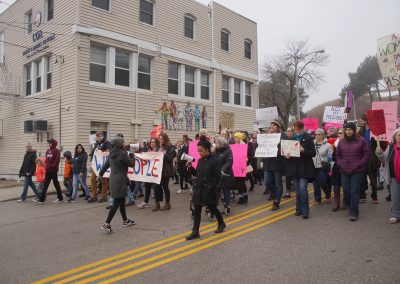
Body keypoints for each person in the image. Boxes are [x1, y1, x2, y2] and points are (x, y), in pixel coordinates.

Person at [186, 136, 226, 240]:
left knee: (213, 208)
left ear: (207, 149)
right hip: (199, 188)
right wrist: (190, 168)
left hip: (209, 189)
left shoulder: (215, 160)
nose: (199, 153)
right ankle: (195, 231)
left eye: (201, 151)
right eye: (198, 151)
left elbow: (217, 176)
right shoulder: (200, 161)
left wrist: (211, 186)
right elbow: (197, 174)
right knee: (197, 209)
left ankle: (221, 223)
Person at [98, 136, 136, 233]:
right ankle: (107, 224)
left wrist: (100, 174)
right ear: (120, 144)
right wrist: (132, 154)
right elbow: (131, 164)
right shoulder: (122, 154)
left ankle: (125, 220)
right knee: (116, 203)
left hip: (113, 179)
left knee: (122, 200)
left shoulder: (111, 154)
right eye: (123, 142)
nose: (124, 143)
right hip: (120, 180)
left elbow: (105, 165)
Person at [336, 122, 369, 221]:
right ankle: (351, 208)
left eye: (350, 129)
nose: (348, 131)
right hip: (344, 170)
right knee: (346, 191)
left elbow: (366, 155)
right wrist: (339, 163)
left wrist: (358, 164)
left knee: (354, 191)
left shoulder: (361, 140)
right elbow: (337, 155)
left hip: (357, 170)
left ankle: (354, 212)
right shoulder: (341, 141)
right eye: (346, 130)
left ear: (354, 130)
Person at [283, 121, 316, 219]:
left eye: (298, 129)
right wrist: (287, 156)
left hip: (305, 168)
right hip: (294, 168)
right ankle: (298, 209)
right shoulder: (291, 139)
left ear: (302, 128)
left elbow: (313, 153)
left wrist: (303, 151)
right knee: (297, 190)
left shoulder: (309, 138)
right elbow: (286, 154)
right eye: (295, 129)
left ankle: (305, 211)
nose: (296, 131)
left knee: (302, 189)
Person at [376, 128, 400, 224]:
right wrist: (379, 153)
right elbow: (383, 159)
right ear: (395, 137)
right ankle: (395, 214)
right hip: (394, 177)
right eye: (399, 135)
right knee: (395, 197)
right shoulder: (391, 147)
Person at [358, 115, 380, 204]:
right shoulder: (360, 131)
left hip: (372, 157)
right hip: (363, 157)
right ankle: (362, 196)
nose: (360, 122)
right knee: (362, 179)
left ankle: (374, 197)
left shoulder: (375, 131)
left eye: (361, 120)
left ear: (366, 121)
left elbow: (381, 143)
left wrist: (378, 144)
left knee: (373, 179)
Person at [264, 120, 285, 210]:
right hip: (268, 162)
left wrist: (277, 146)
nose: (271, 126)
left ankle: (276, 201)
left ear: (277, 127)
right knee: (267, 182)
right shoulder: (266, 136)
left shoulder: (282, 136)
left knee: (278, 184)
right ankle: (273, 193)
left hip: (277, 163)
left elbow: (284, 149)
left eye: (273, 125)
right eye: (270, 125)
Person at [153, 133, 175, 211]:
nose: (160, 140)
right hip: (157, 170)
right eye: (159, 139)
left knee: (165, 186)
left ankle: (167, 203)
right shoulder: (158, 147)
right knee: (156, 187)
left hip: (166, 170)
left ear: (165, 139)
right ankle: (157, 203)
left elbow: (170, 159)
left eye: (161, 139)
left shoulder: (171, 147)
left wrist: (165, 154)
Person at [37, 139, 64, 204]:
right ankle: (41, 199)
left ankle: (60, 198)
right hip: (48, 171)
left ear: (54, 143)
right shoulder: (48, 151)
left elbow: (57, 161)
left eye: (51, 143)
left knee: (56, 184)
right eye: (49, 143)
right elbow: (46, 159)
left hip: (53, 171)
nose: (49, 144)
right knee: (45, 185)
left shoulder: (56, 151)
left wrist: (51, 166)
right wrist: (46, 166)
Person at [90, 131, 112, 203]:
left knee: (103, 181)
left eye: (99, 136)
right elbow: (93, 153)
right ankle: (94, 196)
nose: (98, 138)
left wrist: (107, 151)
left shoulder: (107, 143)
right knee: (93, 180)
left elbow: (110, 150)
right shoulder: (96, 144)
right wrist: (91, 161)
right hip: (96, 165)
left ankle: (104, 196)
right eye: (97, 136)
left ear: (102, 136)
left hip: (103, 165)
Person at [137, 138, 159, 209]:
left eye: (154, 142)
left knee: (156, 188)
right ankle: (146, 202)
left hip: (155, 172)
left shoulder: (159, 150)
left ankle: (157, 203)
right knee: (147, 187)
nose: (152, 143)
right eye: (151, 142)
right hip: (148, 172)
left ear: (156, 143)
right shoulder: (147, 150)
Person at [312, 128, 332, 205]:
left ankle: (327, 194)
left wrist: (331, 167)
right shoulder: (312, 143)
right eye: (316, 134)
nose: (317, 136)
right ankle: (317, 199)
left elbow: (330, 157)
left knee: (322, 181)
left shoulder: (328, 145)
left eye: (319, 134)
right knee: (315, 183)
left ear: (323, 135)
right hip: (313, 166)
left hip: (323, 166)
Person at [215, 136, 234, 215]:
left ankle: (227, 206)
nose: (215, 144)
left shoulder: (228, 150)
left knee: (226, 190)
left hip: (226, 174)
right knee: (216, 191)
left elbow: (229, 162)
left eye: (216, 143)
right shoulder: (216, 151)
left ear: (221, 144)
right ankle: (214, 207)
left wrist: (223, 170)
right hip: (217, 174)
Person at [332, 128, 348, 211]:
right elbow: (333, 156)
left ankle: (345, 202)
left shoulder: (348, 142)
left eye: (341, 133)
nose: (339, 134)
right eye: (338, 133)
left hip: (346, 166)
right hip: (337, 166)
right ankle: (336, 203)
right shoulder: (336, 143)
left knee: (345, 185)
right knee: (336, 185)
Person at [233, 132, 249, 205]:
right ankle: (240, 197)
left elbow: (250, 155)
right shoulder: (234, 146)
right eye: (234, 137)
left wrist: (247, 159)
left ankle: (245, 197)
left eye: (236, 137)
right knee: (238, 183)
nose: (235, 139)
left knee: (242, 182)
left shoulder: (244, 145)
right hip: (236, 166)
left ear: (239, 138)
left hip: (243, 166)